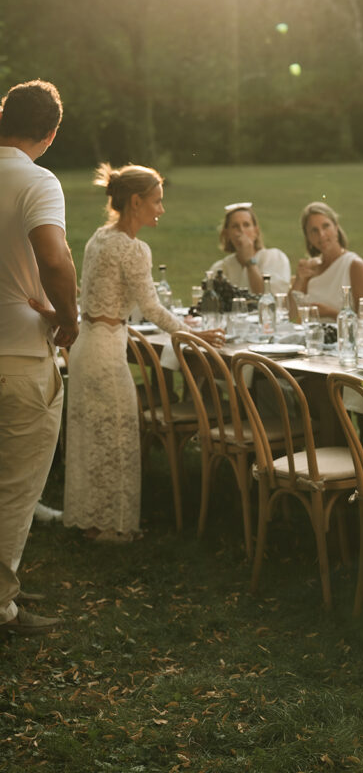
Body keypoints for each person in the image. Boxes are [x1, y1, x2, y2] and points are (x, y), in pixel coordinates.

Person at [63, 163, 224, 544]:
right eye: (157, 201)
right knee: (118, 436)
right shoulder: (133, 248)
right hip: (105, 350)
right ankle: (115, 528)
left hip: (88, 345)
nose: (161, 210)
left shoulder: (99, 237)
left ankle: (92, 520)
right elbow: (151, 308)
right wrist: (195, 333)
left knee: (93, 436)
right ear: (135, 202)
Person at [0, 80, 78, 637]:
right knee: (14, 490)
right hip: (21, 357)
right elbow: (54, 258)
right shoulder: (37, 181)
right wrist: (69, 320)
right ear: (49, 135)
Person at [291, 201, 363, 318]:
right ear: (308, 237)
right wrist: (299, 280)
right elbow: (291, 315)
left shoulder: (354, 265)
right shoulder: (311, 269)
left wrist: (331, 314)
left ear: (336, 227)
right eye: (314, 230)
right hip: (313, 334)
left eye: (326, 226)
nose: (321, 235)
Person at [210, 202, 291, 296]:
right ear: (227, 234)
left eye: (246, 225)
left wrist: (250, 261)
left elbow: (267, 297)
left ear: (256, 231)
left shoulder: (274, 258)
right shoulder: (220, 268)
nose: (241, 230)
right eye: (235, 226)